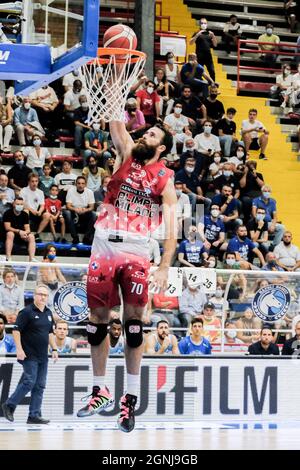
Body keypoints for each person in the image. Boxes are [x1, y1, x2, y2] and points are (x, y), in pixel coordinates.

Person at [77, 112, 177, 434]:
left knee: (133, 326)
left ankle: (129, 399)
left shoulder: (164, 177)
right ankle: (99, 390)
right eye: (146, 134)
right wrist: (116, 90)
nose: (145, 137)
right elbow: (116, 125)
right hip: (104, 244)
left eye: (152, 137)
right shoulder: (127, 154)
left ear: (161, 149)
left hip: (136, 249)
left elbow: (173, 229)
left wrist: (163, 266)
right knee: (96, 324)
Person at [1, 284, 58, 424]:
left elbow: (50, 332)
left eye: (45, 295)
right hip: (29, 355)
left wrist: (55, 349)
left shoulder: (49, 313)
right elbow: (16, 330)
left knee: (40, 385)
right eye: (40, 294)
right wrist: (19, 350)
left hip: (43, 356)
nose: (42, 297)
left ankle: (33, 415)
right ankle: (9, 405)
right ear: (34, 296)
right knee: (29, 382)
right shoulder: (26, 312)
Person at [64, 176, 96, 245]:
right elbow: (68, 205)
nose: (80, 185)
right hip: (73, 210)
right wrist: (75, 209)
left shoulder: (89, 192)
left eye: (82, 183)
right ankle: (75, 237)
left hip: (84, 211)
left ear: (85, 184)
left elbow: (92, 207)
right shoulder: (71, 190)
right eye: (79, 183)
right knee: (67, 213)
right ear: (76, 184)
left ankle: (86, 237)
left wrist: (85, 210)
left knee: (93, 214)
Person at [3, 197, 36, 262]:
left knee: (31, 236)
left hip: (22, 236)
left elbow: (28, 229)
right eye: (17, 204)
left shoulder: (25, 214)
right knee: (10, 234)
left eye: (21, 204)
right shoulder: (7, 213)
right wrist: (19, 231)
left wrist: (25, 233)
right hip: (10, 236)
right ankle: (8, 258)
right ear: (13, 204)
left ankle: (32, 259)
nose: (19, 206)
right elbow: (7, 228)